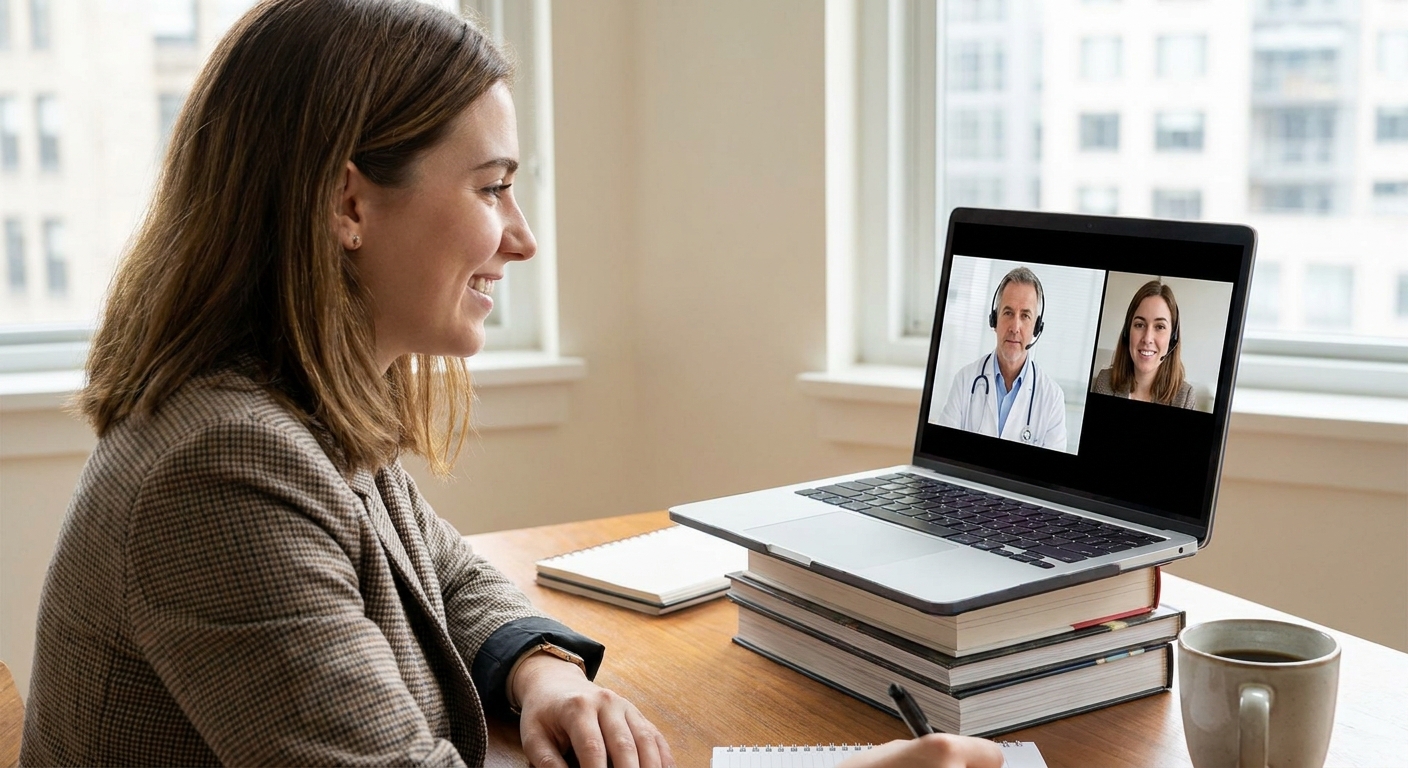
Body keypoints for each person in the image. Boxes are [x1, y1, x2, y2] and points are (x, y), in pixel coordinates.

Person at [19, 2, 670, 766]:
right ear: (347, 204)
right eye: (492, 188)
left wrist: (541, 671)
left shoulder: (300, 396)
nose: (521, 239)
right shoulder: (224, 464)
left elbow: (440, 571)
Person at [936, 267, 1068, 450]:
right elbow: (942, 451)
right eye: (1008, 313)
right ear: (994, 320)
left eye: (1025, 316)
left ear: (1036, 328)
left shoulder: (1052, 398)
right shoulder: (964, 380)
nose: (1015, 327)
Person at [1091, 280, 1197, 409]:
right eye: (1139, 325)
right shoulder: (1104, 382)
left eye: (1159, 327)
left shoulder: (1184, 398)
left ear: (1172, 338)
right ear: (1127, 332)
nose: (1147, 339)